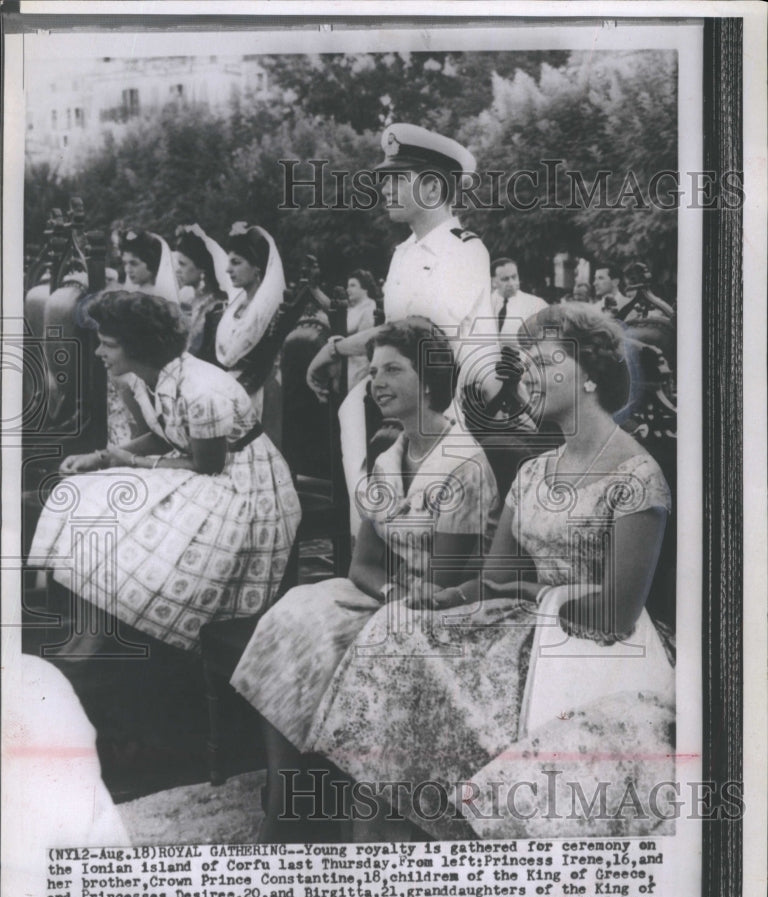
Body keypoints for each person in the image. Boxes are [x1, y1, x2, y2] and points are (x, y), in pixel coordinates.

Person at [305, 303, 675, 841]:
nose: (528, 378)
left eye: (545, 363)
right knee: (396, 633)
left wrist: (523, 590)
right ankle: (378, 852)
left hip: (597, 652)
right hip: (526, 626)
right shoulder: (532, 471)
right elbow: (492, 579)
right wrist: (442, 599)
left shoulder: (638, 474)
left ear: (591, 375)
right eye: (525, 366)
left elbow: (615, 615)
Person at [229, 318, 499, 842]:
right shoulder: (387, 458)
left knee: (365, 647)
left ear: (428, 380)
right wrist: (390, 593)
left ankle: (350, 819)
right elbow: (361, 565)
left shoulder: (462, 463)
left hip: (449, 611)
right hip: (396, 595)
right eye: (372, 371)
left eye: (392, 369)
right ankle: (285, 804)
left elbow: (445, 579)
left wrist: (397, 600)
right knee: (291, 619)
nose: (376, 382)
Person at [29, 291, 301, 655]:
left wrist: (129, 462)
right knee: (83, 494)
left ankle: (104, 636)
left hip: (243, 483)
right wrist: (100, 457)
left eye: (108, 345)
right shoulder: (140, 379)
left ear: (139, 346)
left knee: (126, 513)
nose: (99, 353)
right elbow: (163, 436)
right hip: (190, 465)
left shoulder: (201, 389)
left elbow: (209, 465)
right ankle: (88, 627)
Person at [305, 123, 494, 523]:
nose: (386, 189)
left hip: (457, 396)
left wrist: (334, 348)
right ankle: (372, 539)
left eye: (397, 179)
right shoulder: (404, 252)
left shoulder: (465, 250)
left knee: (366, 416)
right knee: (353, 410)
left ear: (433, 189)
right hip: (414, 388)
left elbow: (416, 334)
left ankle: (392, 537)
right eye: (385, 179)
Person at [210, 221, 286, 416]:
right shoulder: (237, 305)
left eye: (236, 262)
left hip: (258, 389)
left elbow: (264, 361)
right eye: (229, 262)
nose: (228, 270)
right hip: (231, 389)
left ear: (257, 268)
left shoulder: (268, 310)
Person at [174, 224, 232, 356]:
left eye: (182, 264)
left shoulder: (216, 309)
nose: (177, 270)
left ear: (202, 269)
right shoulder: (190, 301)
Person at [491, 257, 548, 341]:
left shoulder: (536, 304)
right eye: (505, 279)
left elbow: (550, 335)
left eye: (514, 277)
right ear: (493, 282)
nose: (511, 283)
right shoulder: (485, 304)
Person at [120, 228, 179, 306]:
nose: (127, 270)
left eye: (134, 263)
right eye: (125, 263)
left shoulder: (160, 299)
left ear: (151, 262)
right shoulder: (129, 294)